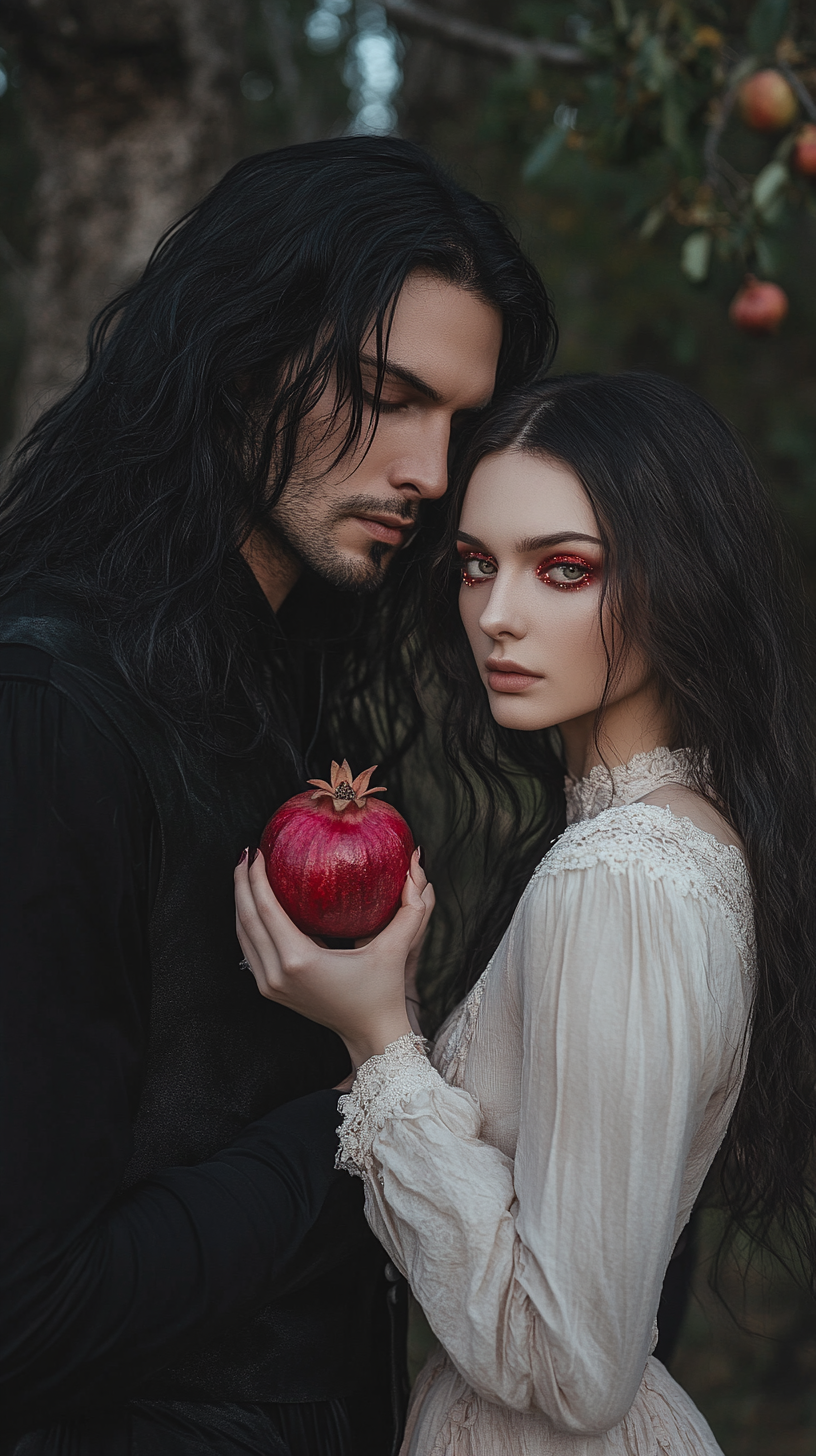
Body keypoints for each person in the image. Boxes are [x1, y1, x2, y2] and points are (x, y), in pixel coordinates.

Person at [0, 137, 555, 1454]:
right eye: (386, 393)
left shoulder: (280, 707)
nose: (429, 472)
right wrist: (372, 1108)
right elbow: (25, 1312)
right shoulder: (56, 715)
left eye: (459, 423)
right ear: (243, 354)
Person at [235, 371, 816, 1455]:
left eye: (564, 570)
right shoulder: (682, 829)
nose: (495, 615)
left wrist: (380, 1046)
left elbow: (574, 1363)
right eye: (473, 564)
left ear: (683, 579)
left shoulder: (624, 876)